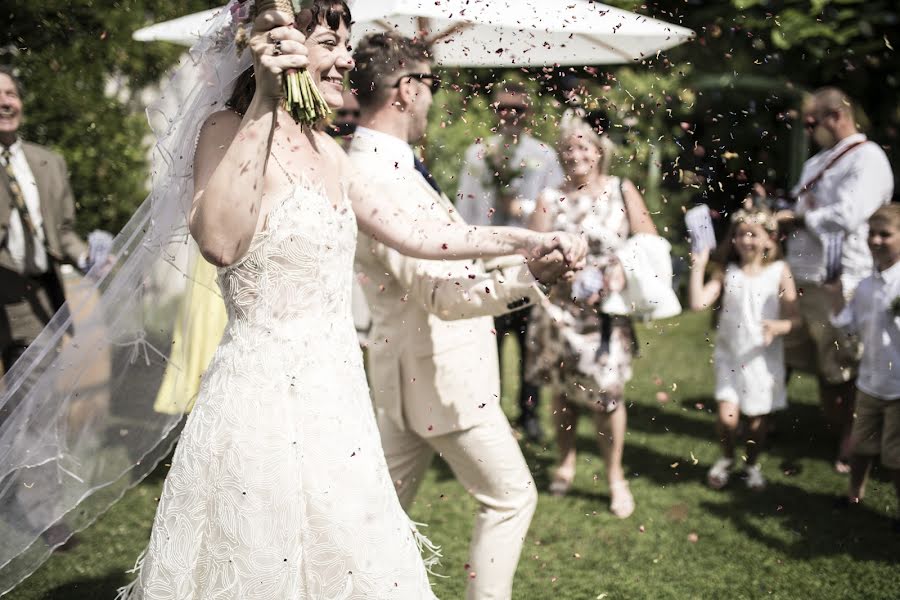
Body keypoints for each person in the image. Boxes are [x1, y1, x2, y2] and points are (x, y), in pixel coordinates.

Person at [116, 3, 586, 598]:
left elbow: (423, 236)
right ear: (280, 45)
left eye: (345, 43)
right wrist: (264, 100)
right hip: (260, 397)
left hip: (339, 395)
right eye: (330, 42)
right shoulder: (225, 130)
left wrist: (525, 242)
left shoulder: (332, 152)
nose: (346, 58)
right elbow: (218, 241)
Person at [347, 33, 576, 600]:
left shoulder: (389, 163)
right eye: (432, 84)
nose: (435, 99)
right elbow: (440, 294)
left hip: (405, 373)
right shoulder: (377, 176)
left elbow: (452, 250)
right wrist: (531, 274)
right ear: (405, 90)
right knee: (511, 496)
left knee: (374, 522)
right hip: (439, 375)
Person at [526, 112, 657, 519]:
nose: (574, 154)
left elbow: (649, 240)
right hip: (561, 312)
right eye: (567, 147)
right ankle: (566, 461)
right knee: (562, 392)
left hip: (607, 314)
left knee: (608, 395)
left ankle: (615, 476)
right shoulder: (550, 198)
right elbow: (532, 253)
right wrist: (558, 268)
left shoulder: (621, 190)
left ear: (599, 151)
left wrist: (618, 267)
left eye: (583, 146)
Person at [774, 87, 894, 472]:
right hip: (803, 273)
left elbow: (848, 215)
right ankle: (824, 432)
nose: (808, 131)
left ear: (837, 116)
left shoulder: (868, 158)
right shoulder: (819, 161)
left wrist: (800, 218)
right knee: (807, 359)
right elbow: (800, 202)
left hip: (840, 277)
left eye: (813, 123)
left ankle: (852, 445)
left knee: (840, 367)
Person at [456, 81, 565, 442]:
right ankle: (492, 414)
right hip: (489, 261)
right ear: (494, 110)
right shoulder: (478, 155)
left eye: (517, 109)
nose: (510, 115)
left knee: (530, 343)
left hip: (529, 262)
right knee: (489, 343)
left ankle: (529, 412)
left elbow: (557, 203)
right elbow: (465, 207)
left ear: (527, 114)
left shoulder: (544, 155)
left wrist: (528, 209)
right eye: (503, 108)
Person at [689, 208, 799, 490]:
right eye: (740, 234)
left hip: (763, 359)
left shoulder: (779, 272)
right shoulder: (728, 271)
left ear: (769, 239)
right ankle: (727, 459)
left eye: (753, 234)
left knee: (755, 423)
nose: (745, 240)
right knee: (727, 419)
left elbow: (794, 319)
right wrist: (699, 266)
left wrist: (777, 327)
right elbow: (698, 303)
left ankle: (751, 464)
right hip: (731, 356)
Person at [0, 66, 90, 372]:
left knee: (28, 407)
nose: (4, 102)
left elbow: (63, 232)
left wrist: (88, 256)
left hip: (32, 301)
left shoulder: (49, 163)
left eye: (10, 93)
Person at [830, 204, 900, 530]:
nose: (876, 240)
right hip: (869, 381)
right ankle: (853, 495)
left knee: (895, 457)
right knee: (861, 445)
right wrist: (837, 306)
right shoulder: (865, 286)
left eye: (885, 234)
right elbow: (850, 323)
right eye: (872, 233)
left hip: (898, 386)